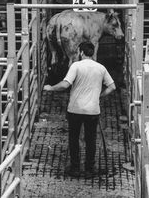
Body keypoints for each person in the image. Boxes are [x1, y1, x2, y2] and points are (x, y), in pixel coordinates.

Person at [44, 41, 116, 177]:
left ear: (81, 52)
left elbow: (65, 85)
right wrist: (99, 96)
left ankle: (75, 168)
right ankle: (89, 168)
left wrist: (51, 88)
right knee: (90, 139)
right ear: (92, 52)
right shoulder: (101, 68)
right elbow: (112, 87)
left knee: (74, 138)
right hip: (93, 110)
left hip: (75, 109)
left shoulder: (76, 66)